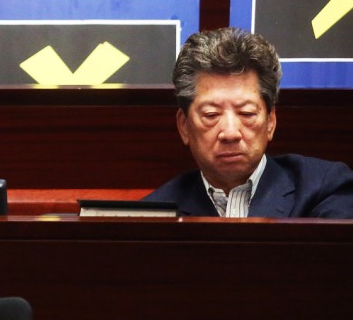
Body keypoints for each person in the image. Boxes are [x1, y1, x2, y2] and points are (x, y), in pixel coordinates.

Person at [145, 28, 353, 218]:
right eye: (211, 115)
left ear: (270, 121)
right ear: (184, 126)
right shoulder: (154, 214)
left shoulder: (324, 189)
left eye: (246, 113)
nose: (230, 132)